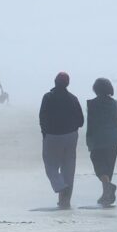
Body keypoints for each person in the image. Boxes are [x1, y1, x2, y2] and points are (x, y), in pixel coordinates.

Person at [39, 72, 84, 208]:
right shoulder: (73, 98)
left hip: (52, 136)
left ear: (55, 82)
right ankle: (65, 200)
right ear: (67, 83)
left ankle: (60, 187)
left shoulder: (48, 97)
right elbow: (81, 121)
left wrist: (45, 132)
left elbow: (42, 117)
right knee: (69, 168)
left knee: (50, 166)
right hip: (71, 135)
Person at [86, 78, 117, 206]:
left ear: (95, 89)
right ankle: (106, 195)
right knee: (108, 167)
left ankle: (107, 190)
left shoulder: (92, 104)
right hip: (113, 140)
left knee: (99, 166)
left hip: (98, 139)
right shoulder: (115, 103)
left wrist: (89, 140)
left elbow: (90, 124)